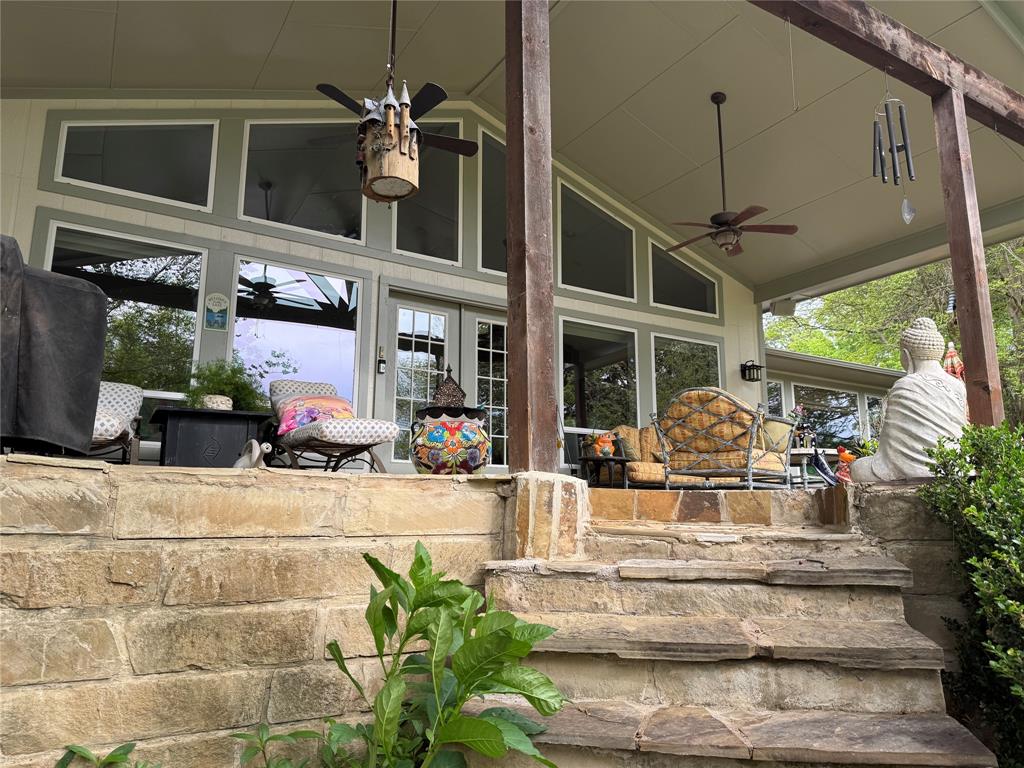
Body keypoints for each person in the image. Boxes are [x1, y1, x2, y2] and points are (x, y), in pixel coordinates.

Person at [850, 317, 967, 482]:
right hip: (957, 467)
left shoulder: (905, 385)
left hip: (912, 470)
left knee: (858, 468)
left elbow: (888, 451)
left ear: (906, 355)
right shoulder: (958, 386)